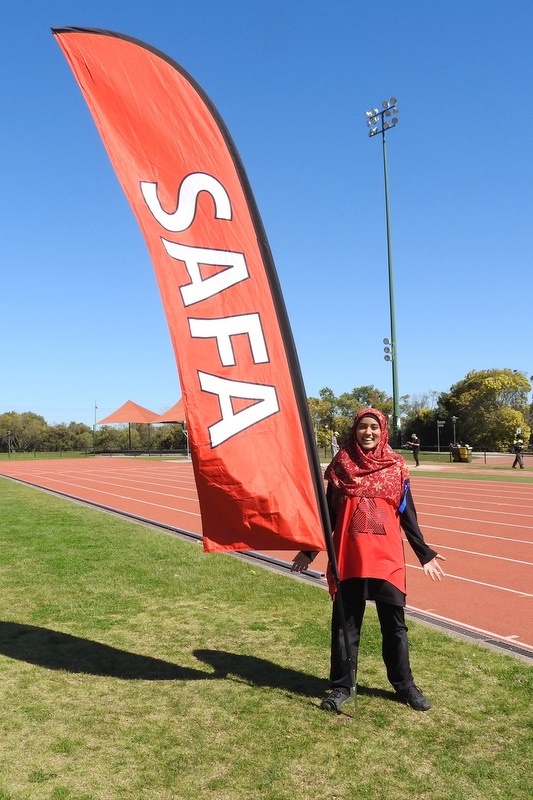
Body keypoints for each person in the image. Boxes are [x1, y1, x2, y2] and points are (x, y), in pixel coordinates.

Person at [292, 408, 445, 713]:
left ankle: (405, 687)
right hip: (349, 559)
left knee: (395, 627)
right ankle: (341, 687)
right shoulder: (341, 466)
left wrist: (424, 553)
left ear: (382, 430)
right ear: (355, 430)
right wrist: (309, 551)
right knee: (345, 628)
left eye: (374, 427)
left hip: (386, 560)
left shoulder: (396, 466)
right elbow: (329, 515)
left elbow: (407, 513)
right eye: (363, 427)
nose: (368, 432)